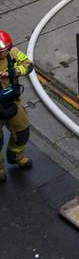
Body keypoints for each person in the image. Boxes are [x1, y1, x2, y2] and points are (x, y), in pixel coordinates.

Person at [0, 31, 33, 178]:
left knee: (22, 131)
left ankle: (16, 157)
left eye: (3, 50)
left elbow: (28, 65)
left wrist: (13, 72)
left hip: (13, 102)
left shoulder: (12, 53)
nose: (2, 54)